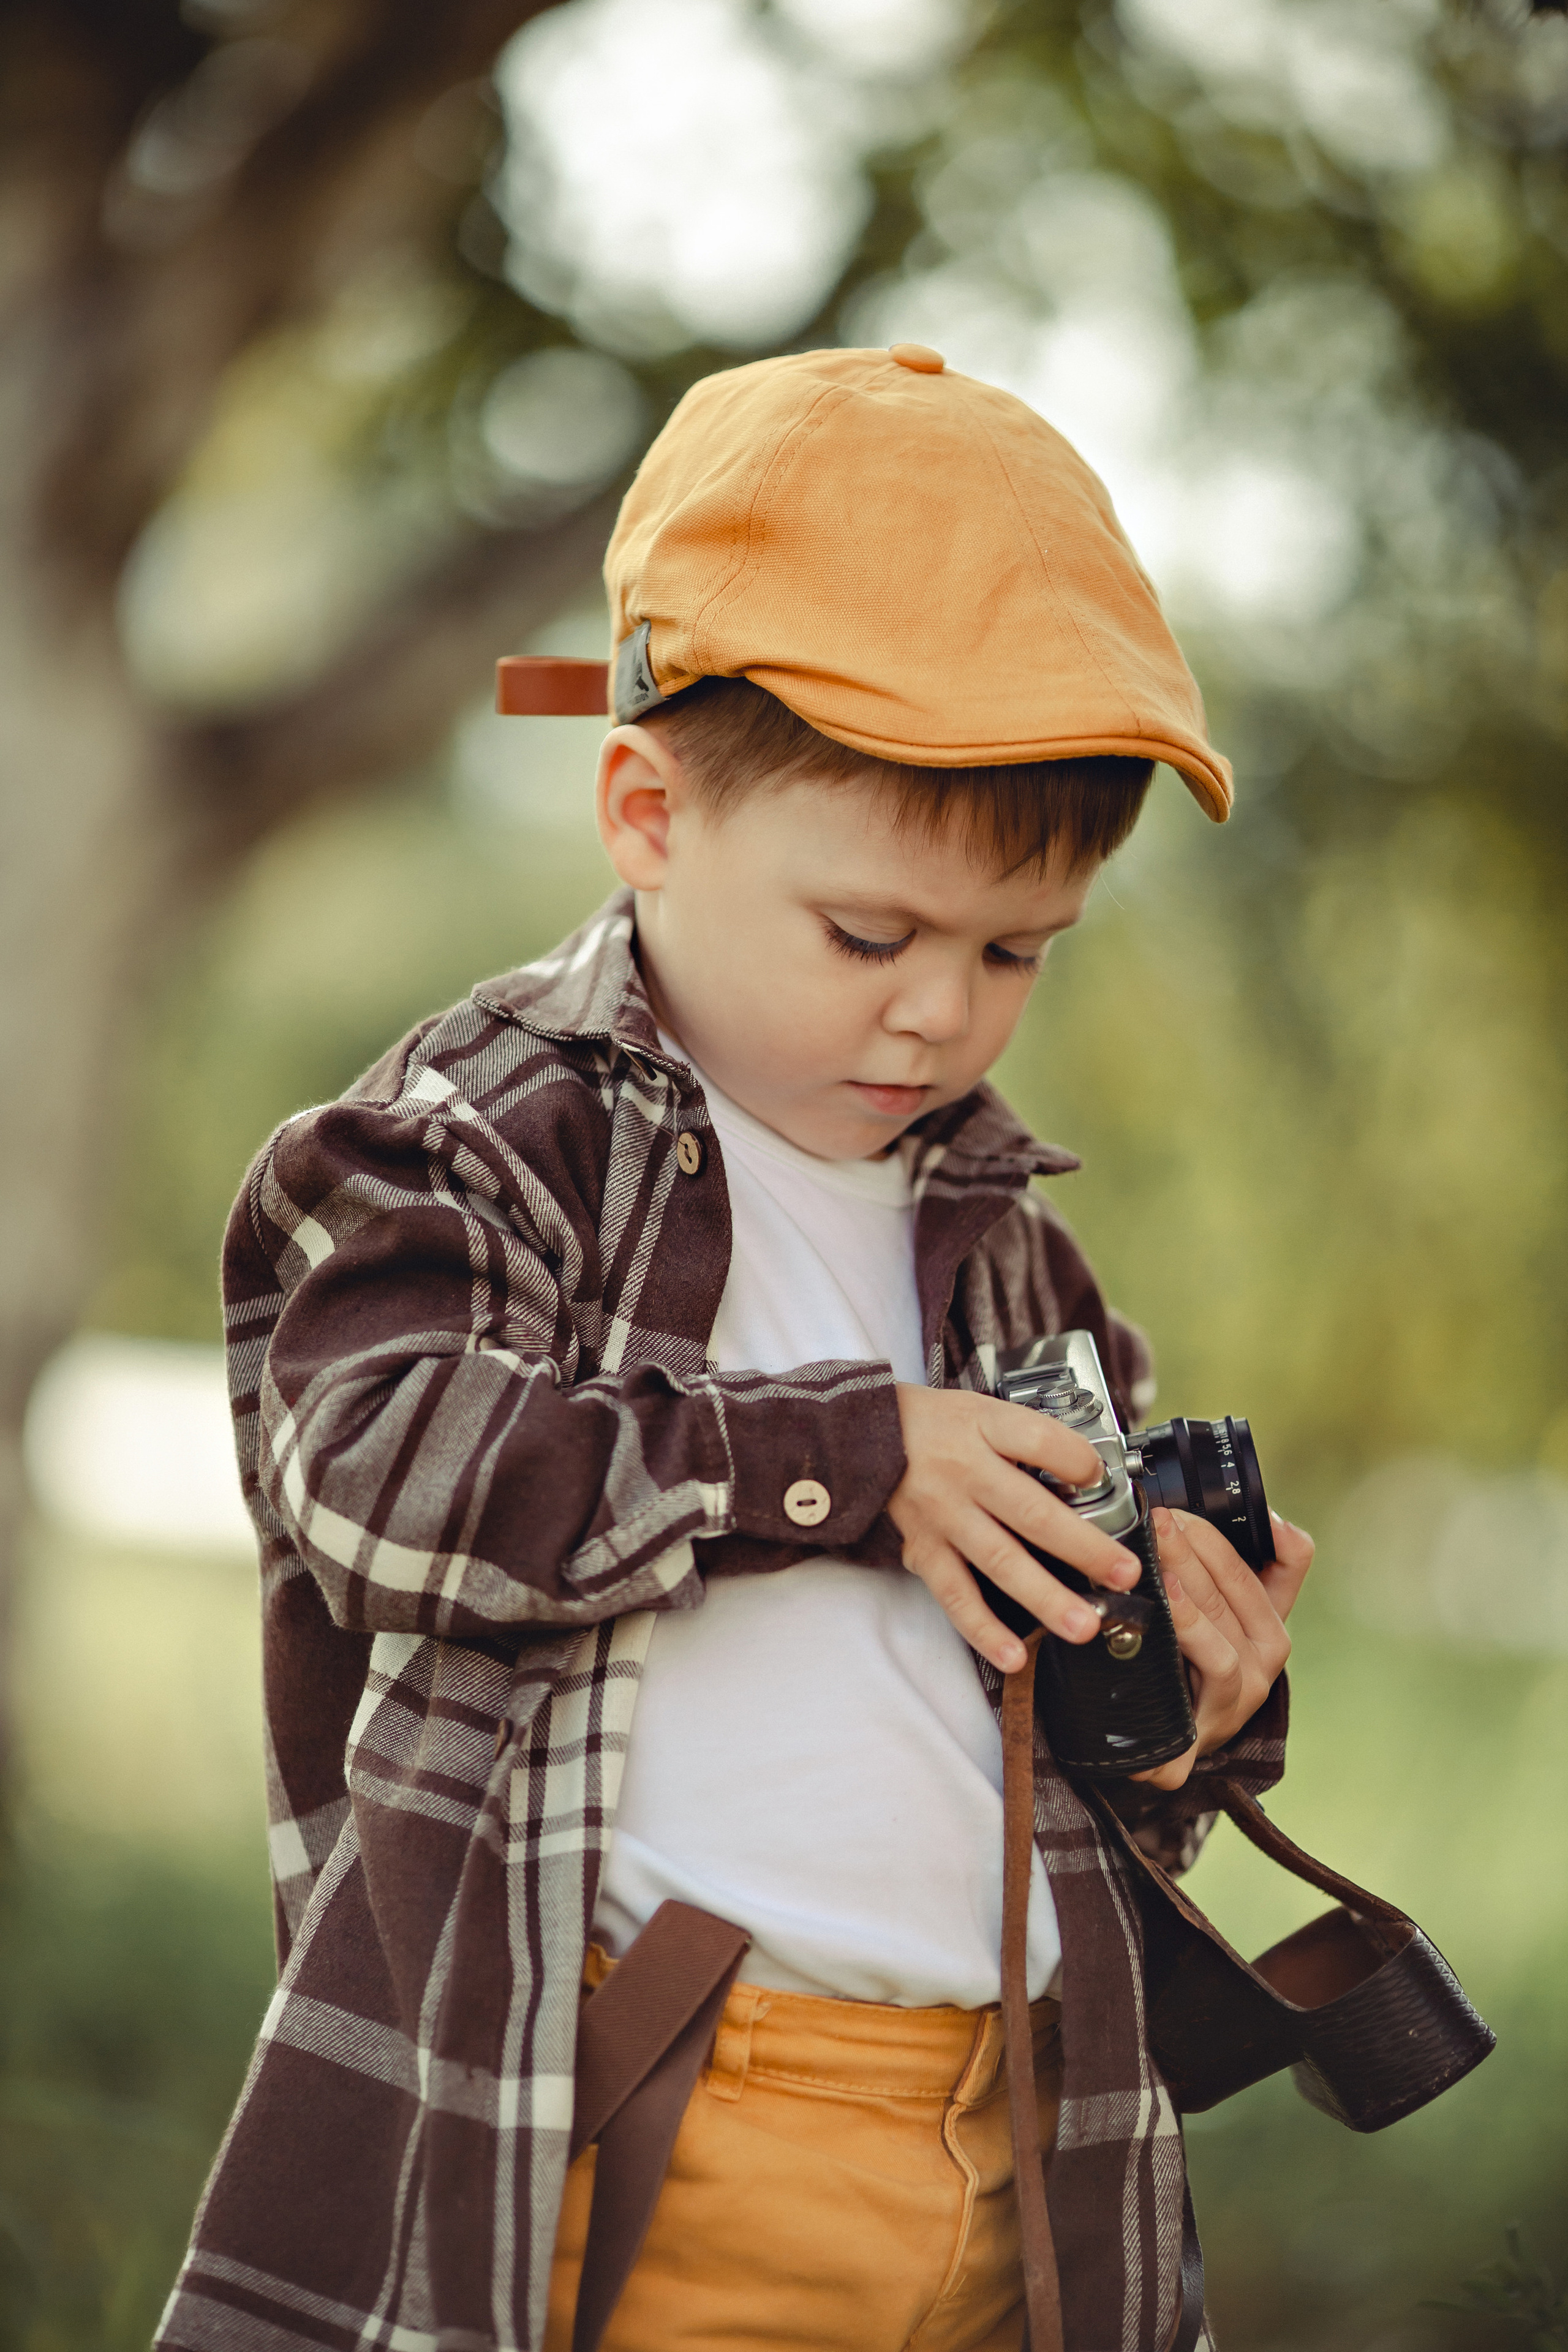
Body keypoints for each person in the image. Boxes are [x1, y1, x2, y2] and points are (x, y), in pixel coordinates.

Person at [156, 345, 1313, 2352]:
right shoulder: (479, 1141)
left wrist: (1189, 1701)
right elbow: (378, 1477)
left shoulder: (1014, 1255)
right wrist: (853, 1457)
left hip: (1022, 2147)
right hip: (655, 2123)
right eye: (871, 936)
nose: (939, 1015)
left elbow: (1064, 1772)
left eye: (1014, 951)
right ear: (648, 811)